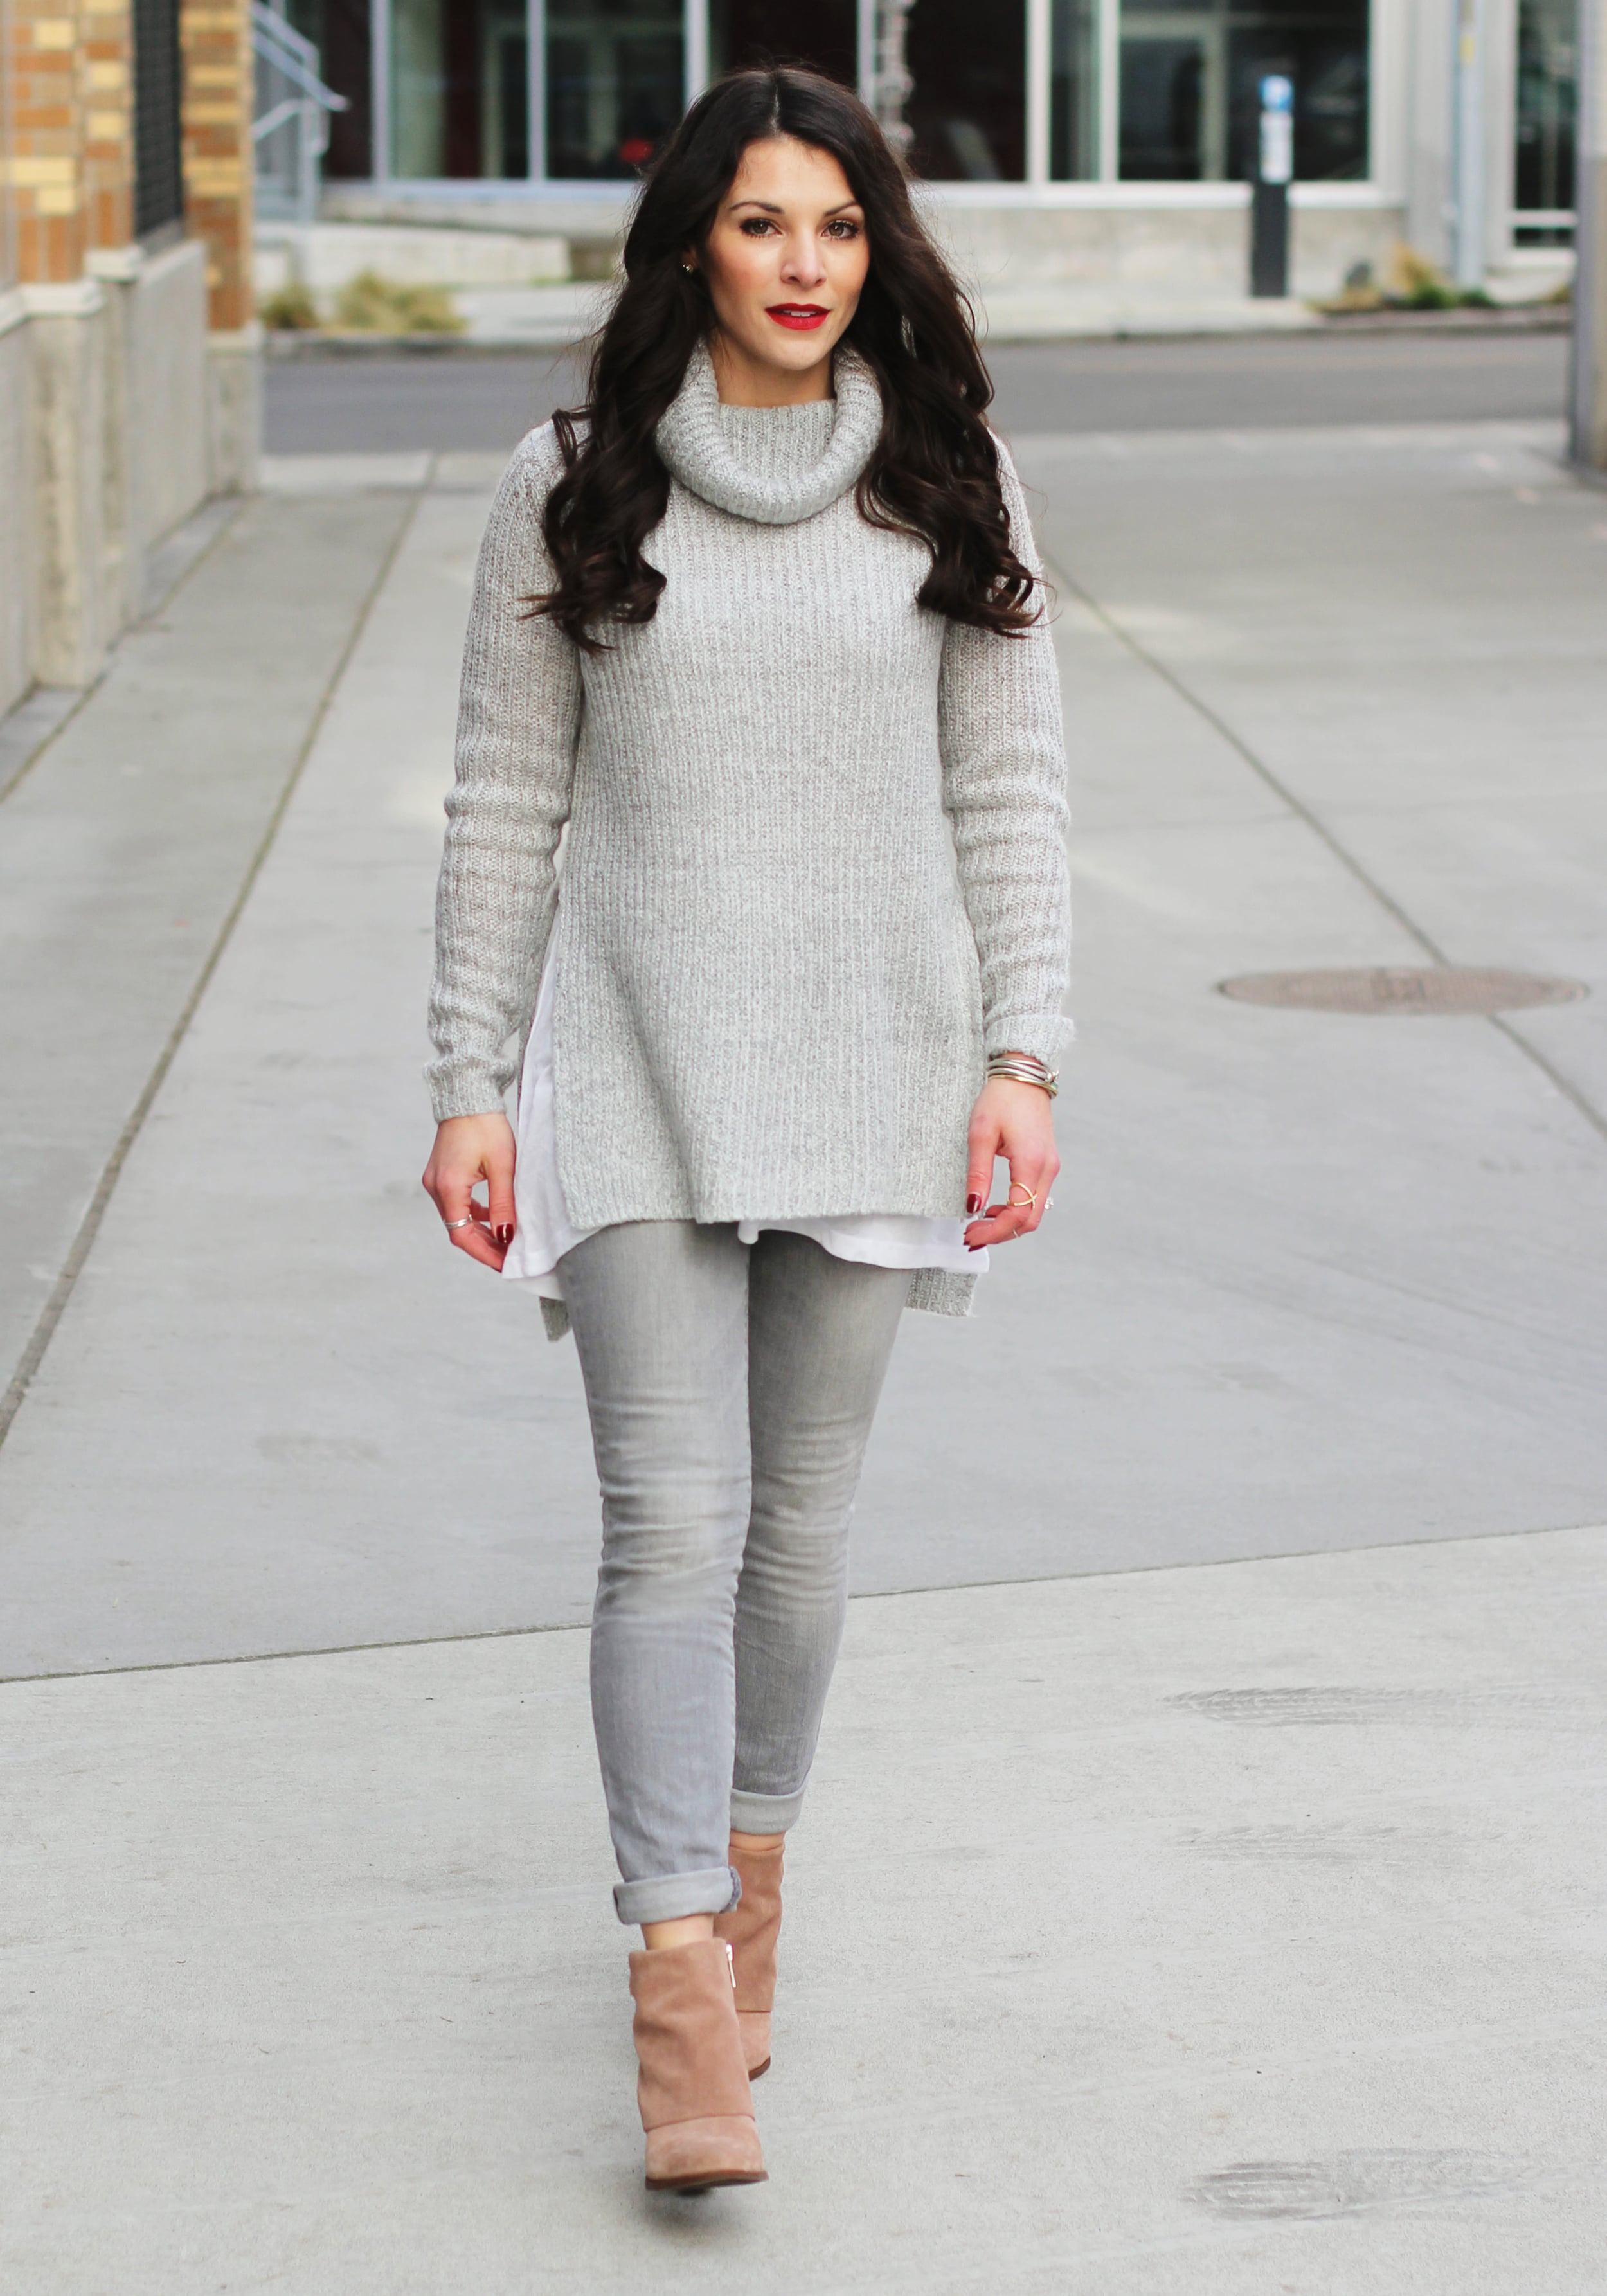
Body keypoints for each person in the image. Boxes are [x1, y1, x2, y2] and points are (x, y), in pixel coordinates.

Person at [422, 65, 1069, 2194]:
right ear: (693, 235)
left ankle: (751, 1875)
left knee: (799, 1529)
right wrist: (460, 1076)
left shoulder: (952, 479)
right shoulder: (574, 482)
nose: (804, 267)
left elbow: (1008, 790)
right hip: (626, 1062)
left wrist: (1023, 1055)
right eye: (765, 224)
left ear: (877, 250)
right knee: (666, 1523)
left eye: (840, 229)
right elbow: (507, 798)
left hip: (881, 1058)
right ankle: (678, 1976)